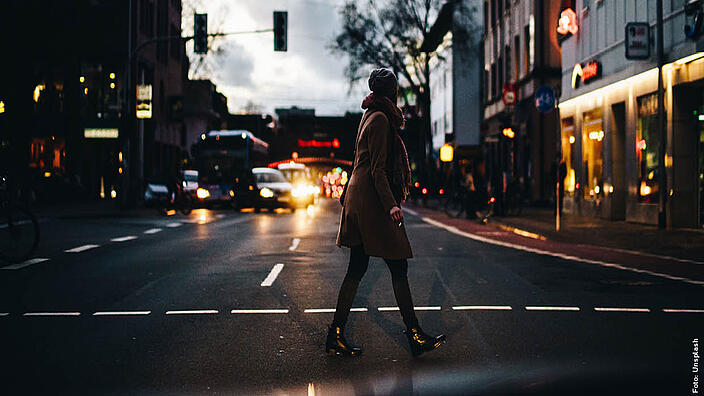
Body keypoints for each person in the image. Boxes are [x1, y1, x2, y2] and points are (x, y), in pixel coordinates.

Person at [330, 68, 446, 357]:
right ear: (392, 92)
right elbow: (378, 169)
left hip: (359, 196)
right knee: (398, 265)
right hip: (371, 199)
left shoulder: (368, 114)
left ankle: (335, 334)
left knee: (357, 268)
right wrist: (391, 204)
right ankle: (415, 335)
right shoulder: (381, 119)